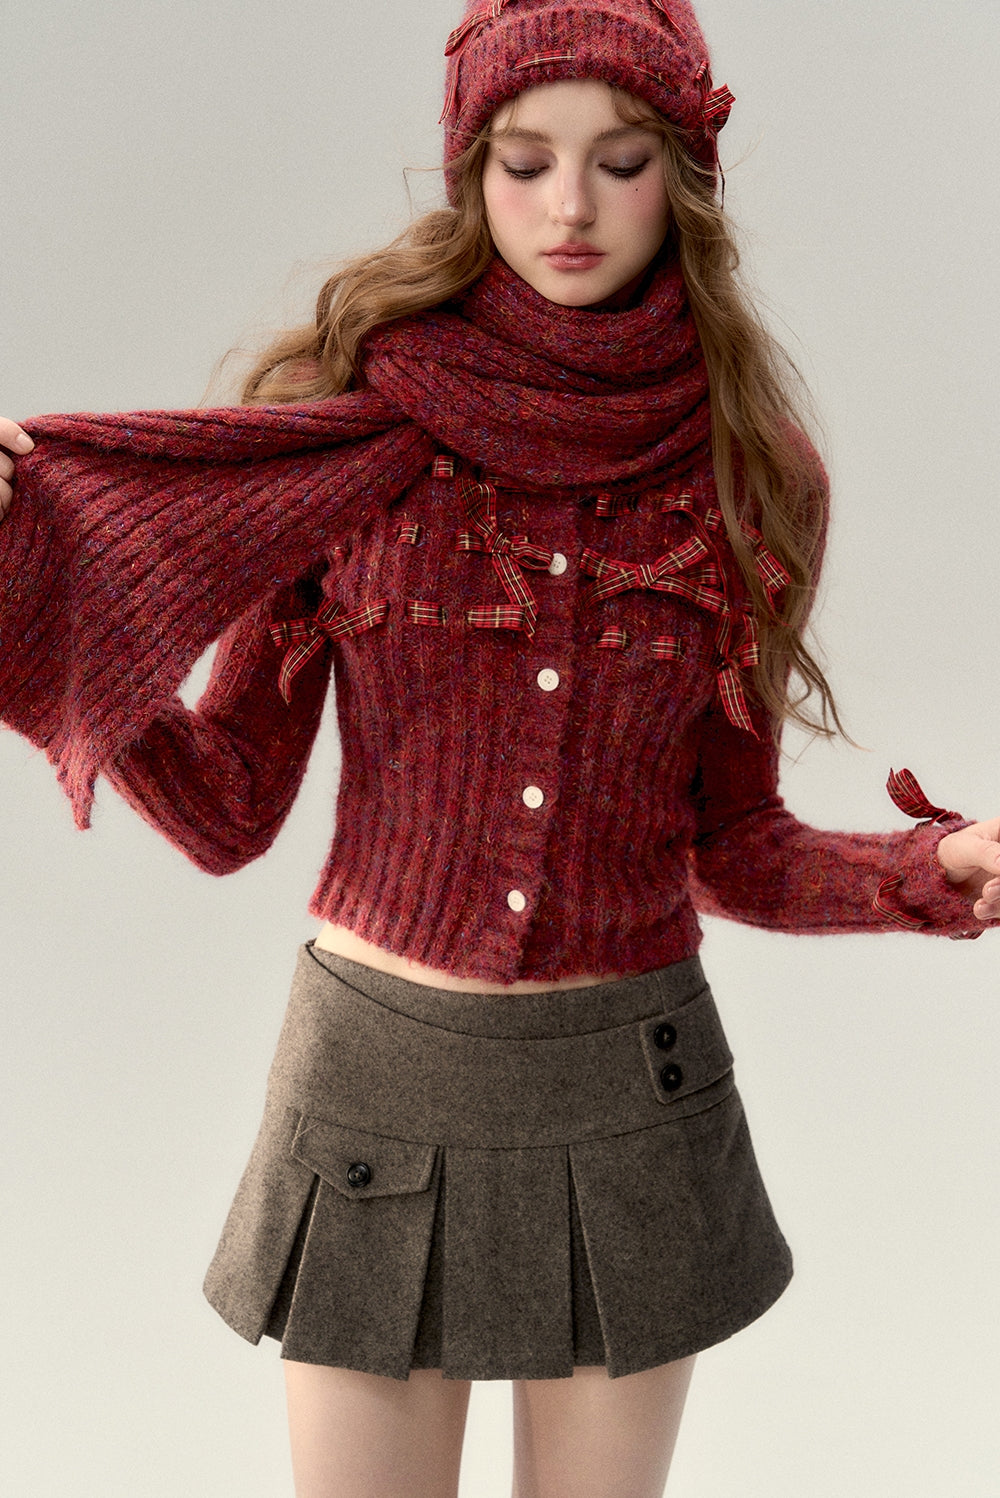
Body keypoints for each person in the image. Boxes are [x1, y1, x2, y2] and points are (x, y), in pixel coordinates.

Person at [1, 2, 997, 1496]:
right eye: (525, 162)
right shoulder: (346, 432)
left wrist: (927, 872)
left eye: (621, 161)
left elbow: (730, 844)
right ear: (471, 171)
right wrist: (36, 592)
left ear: (687, 173)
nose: (570, 207)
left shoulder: (751, 472)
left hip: (632, 1094)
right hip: (375, 1085)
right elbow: (225, 808)